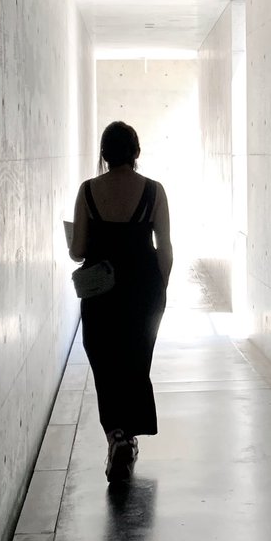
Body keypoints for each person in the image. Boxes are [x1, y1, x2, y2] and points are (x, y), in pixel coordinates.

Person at [69, 121, 172, 483]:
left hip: (102, 295)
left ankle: (116, 435)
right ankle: (129, 435)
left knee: (106, 365)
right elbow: (166, 249)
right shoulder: (155, 192)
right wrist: (161, 290)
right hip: (144, 292)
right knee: (135, 362)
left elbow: (78, 250)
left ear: (104, 154)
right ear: (136, 152)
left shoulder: (88, 191)